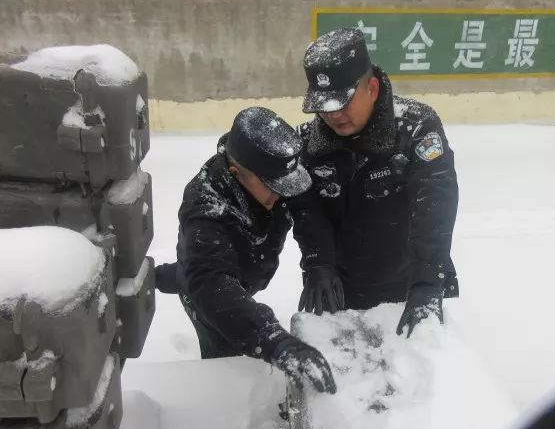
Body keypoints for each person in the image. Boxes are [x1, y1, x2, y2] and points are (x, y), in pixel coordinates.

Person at [155, 107, 340, 394]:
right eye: (274, 187)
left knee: (189, 272)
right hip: (210, 290)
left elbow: (305, 210)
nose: (282, 193)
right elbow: (211, 282)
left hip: (242, 268)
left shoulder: (273, 168)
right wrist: (274, 340)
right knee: (226, 364)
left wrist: (319, 262)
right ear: (235, 173)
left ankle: (163, 275)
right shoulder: (206, 207)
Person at [296, 28, 459, 338]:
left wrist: (427, 281)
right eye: (324, 106)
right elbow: (307, 210)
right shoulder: (308, 144)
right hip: (343, 283)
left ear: (371, 87)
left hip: (411, 277)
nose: (334, 115)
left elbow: (436, 199)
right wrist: (318, 263)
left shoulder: (415, 127)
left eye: (343, 102)